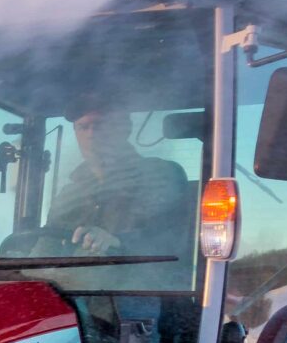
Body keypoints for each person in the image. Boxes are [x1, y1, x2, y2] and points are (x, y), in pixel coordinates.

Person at [44, 102, 193, 256]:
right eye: (83, 127)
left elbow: (173, 242)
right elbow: (46, 248)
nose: (91, 134)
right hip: (63, 280)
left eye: (100, 125)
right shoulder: (68, 195)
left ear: (125, 129)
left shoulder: (161, 175)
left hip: (141, 280)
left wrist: (117, 242)